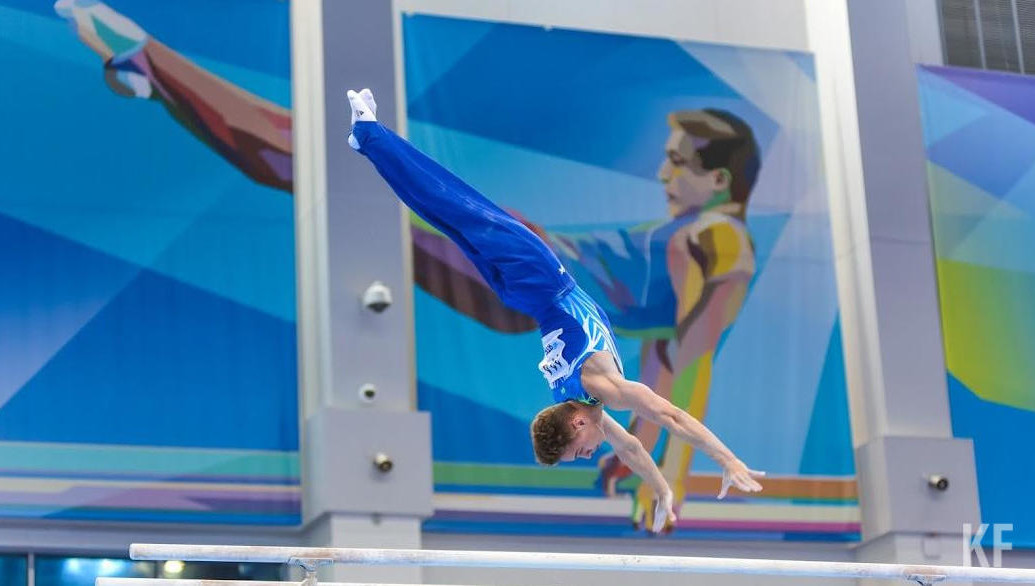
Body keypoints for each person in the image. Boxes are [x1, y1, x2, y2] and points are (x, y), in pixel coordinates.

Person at [345, 89, 765, 532]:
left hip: (539, 278)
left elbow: (671, 416)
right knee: (444, 213)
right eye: (583, 454)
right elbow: (635, 450)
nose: (589, 453)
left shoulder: (599, 387)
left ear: (578, 421)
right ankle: (369, 138)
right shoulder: (590, 399)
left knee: (453, 205)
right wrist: (664, 489)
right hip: (524, 290)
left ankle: (371, 134)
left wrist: (727, 460)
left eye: (580, 449)